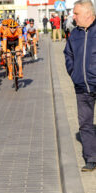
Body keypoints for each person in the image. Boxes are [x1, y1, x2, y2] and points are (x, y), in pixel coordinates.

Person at [64, 0, 96, 172]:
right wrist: (74, 73)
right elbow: (68, 54)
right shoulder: (74, 34)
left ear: (88, 14)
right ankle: (91, 158)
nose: (73, 17)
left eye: (76, 14)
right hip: (82, 87)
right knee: (85, 123)